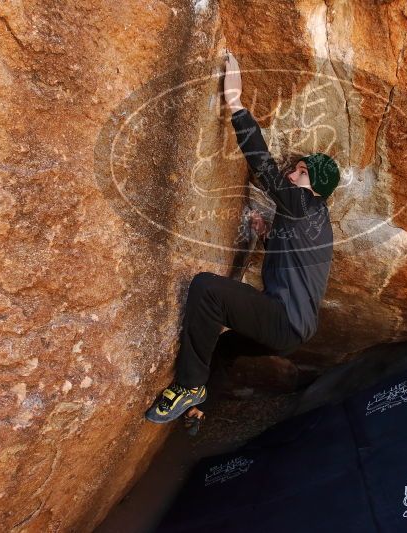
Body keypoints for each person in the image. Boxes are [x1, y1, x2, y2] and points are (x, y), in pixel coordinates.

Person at [145, 51, 340, 424]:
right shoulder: (315, 219)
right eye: (297, 169)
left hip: (285, 321)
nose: (293, 175)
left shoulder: (303, 203)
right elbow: (296, 263)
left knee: (206, 289)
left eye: (302, 173)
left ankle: (188, 387)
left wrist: (235, 103)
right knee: (219, 345)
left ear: (316, 187)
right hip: (295, 331)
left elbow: (263, 165)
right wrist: (268, 236)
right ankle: (201, 409)